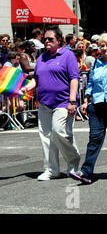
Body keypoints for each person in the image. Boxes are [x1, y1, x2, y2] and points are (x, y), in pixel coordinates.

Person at [69, 11, 107, 184]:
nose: (104, 48)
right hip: (97, 105)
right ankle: (86, 172)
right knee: (95, 138)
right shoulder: (96, 62)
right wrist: (86, 99)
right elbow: (91, 83)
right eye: (101, 45)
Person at [21, 25, 80, 181]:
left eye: (50, 39)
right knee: (46, 136)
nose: (46, 41)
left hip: (63, 101)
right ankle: (51, 169)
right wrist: (27, 87)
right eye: (45, 39)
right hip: (45, 103)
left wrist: (72, 101)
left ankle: (73, 163)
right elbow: (37, 79)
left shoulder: (68, 56)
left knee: (59, 131)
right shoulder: (42, 57)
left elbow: (74, 78)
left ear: (59, 40)